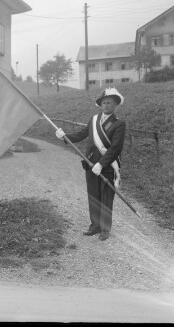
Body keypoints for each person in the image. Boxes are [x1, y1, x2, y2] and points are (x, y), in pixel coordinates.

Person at [55, 88, 126, 241]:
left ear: (115, 105)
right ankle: (95, 226)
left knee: (106, 197)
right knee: (93, 195)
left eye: (109, 103)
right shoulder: (94, 120)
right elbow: (81, 134)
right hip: (90, 163)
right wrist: (65, 137)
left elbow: (115, 148)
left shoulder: (119, 124)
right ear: (100, 104)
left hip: (107, 166)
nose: (106, 106)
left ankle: (105, 229)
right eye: (104, 103)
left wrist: (101, 164)